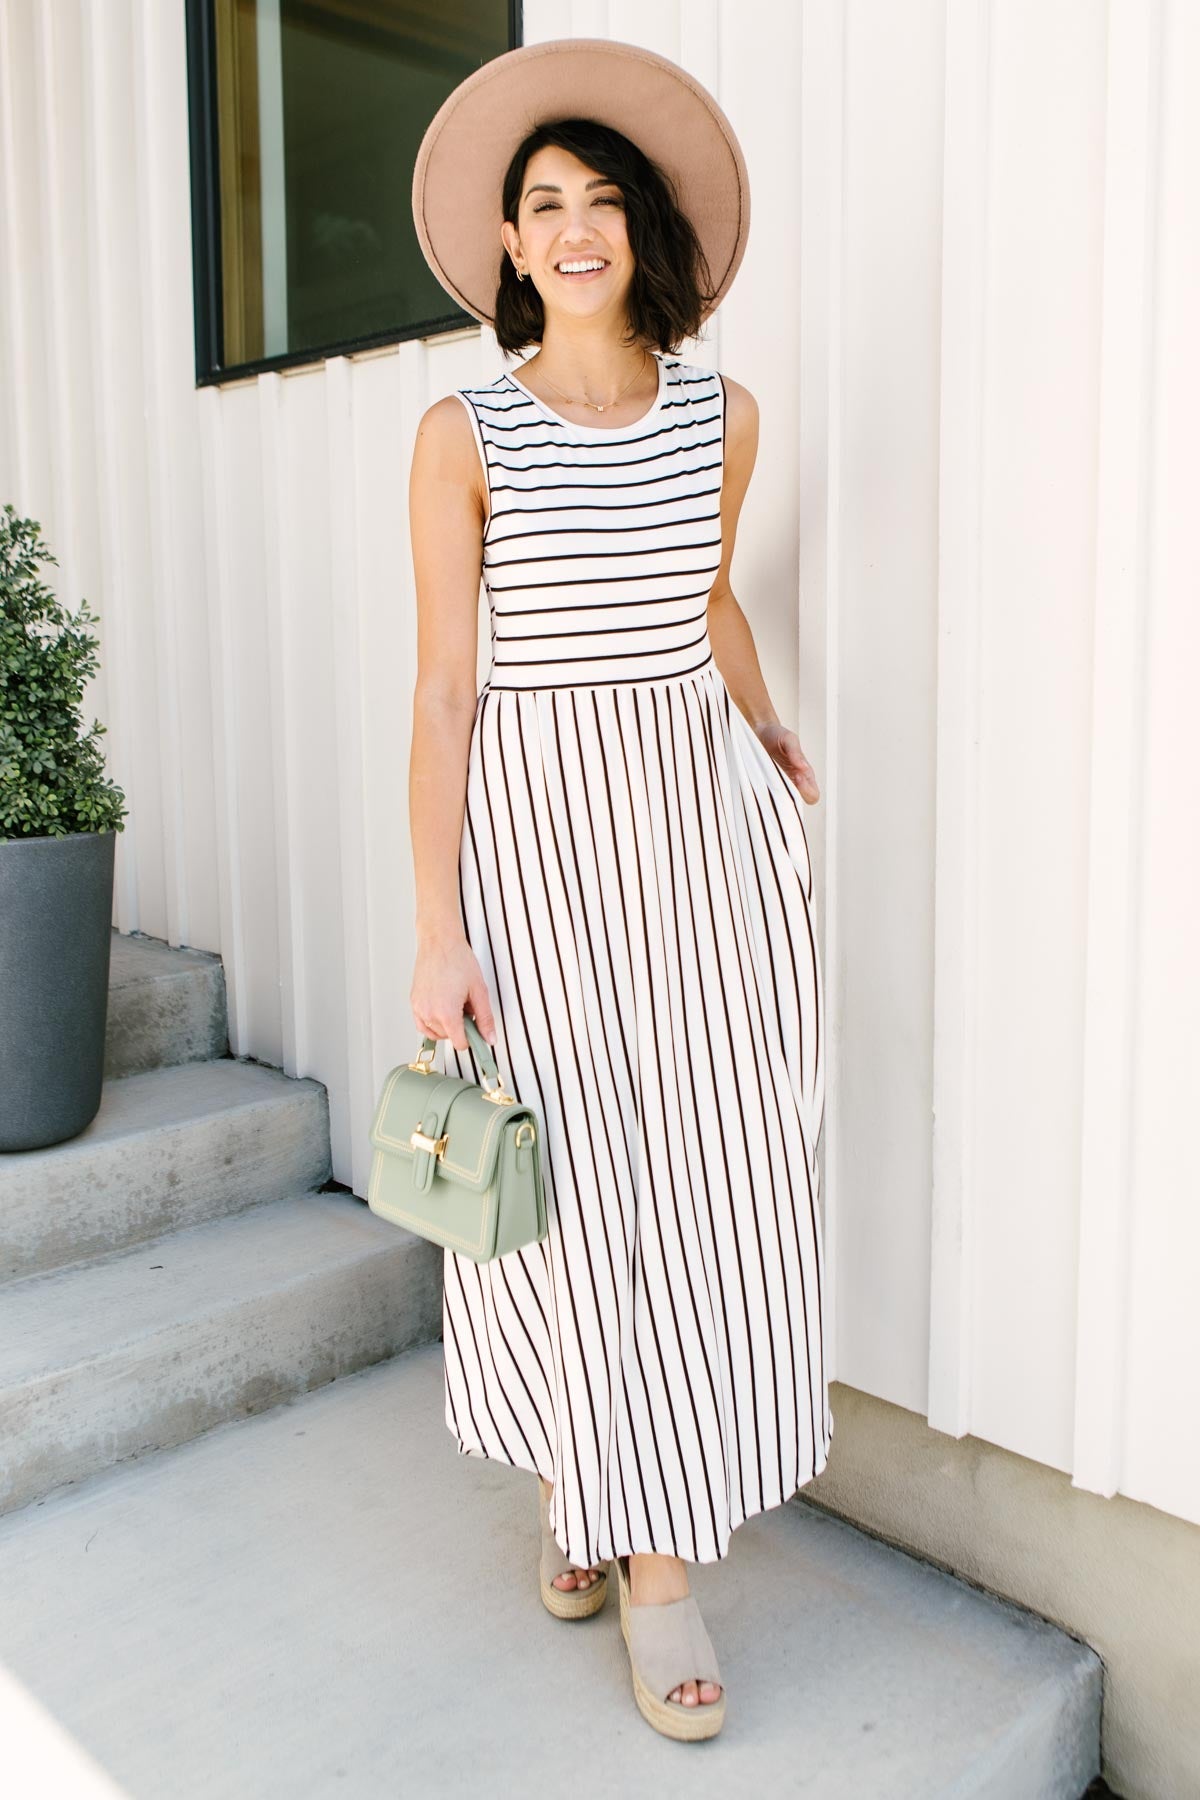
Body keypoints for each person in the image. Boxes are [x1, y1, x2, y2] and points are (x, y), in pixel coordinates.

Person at [406, 38, 831, 1743]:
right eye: (542, 207)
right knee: (572, 1187)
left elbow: (705, 599)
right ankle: (634, 1541)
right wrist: (439, 927)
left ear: (643, 226)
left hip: (699, 834)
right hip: (539, 836)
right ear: (510, 250)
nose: (573, 229)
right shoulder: (464, 431)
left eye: (598, 200)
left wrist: (763, 714)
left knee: (704, 1187)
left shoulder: (724, 412)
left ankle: (634, 1528)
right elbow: (447, 687)